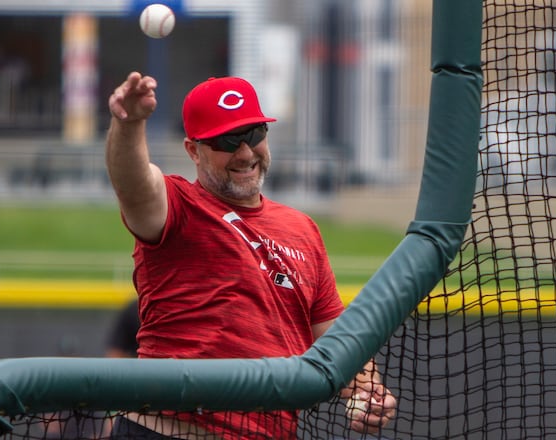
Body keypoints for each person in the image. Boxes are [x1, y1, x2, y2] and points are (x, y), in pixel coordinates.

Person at [105, 72, 396, 439]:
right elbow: (131, 183)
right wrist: (128, 124)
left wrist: (367, 387)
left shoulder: (302, 228)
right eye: (227, 140)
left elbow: (335, 336)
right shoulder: (177, 205)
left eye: (254, 134)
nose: (245, 153)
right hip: (168, 431)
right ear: (193, 150)